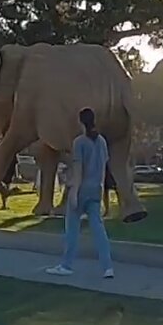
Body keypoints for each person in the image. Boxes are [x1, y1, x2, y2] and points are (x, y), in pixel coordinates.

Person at [46, 108, 115, 279]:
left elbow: (78, 169)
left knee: (72, 229)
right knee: (99, 229)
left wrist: (73, 192)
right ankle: (107, 267)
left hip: (82, 188)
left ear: (80, 122)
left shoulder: (79, 142)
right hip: (96, 189)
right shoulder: (102, 142)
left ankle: (66, 265)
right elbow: (103, 169)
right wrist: (101, 190)